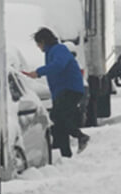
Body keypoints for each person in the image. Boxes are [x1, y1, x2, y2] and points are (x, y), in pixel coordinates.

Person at [22, 27, 89, 158]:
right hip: (62, 90)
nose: (38, 47)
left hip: (70, 88)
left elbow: (58, 66)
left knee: (59, 117)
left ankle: (80, 136)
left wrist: (38, 72)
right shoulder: (52, 52)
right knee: (58, 122)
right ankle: (65, 154)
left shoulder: (59, 50)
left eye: (38, 44)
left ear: (43, 41)